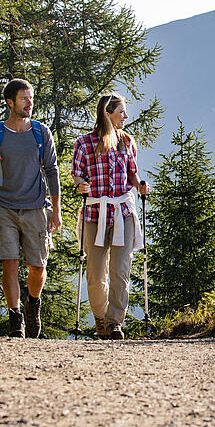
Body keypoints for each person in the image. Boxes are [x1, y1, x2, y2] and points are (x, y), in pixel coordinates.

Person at [0, 79, 62, 338]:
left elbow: (52, 170)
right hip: (3, 207)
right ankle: (15, 318)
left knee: (38, 265)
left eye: (31, 98)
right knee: (9, 263)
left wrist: (56, 209)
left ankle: (33, 304)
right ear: (10, 102)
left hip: (35, 207)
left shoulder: (41, 133)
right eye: (24, 98)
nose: (29, 103)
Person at [72, 93, 149, 340]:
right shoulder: (84, 143)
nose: (125, 116)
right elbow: (76, 173)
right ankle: (101, 317)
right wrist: (81, 184)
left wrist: (140, 185)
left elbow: (132, 174)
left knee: (120, 270)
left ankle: (115, 322)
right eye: (121, 112)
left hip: (122, 211)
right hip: (95, 213)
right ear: (107, 114)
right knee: (95, 273)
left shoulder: (126, 141)